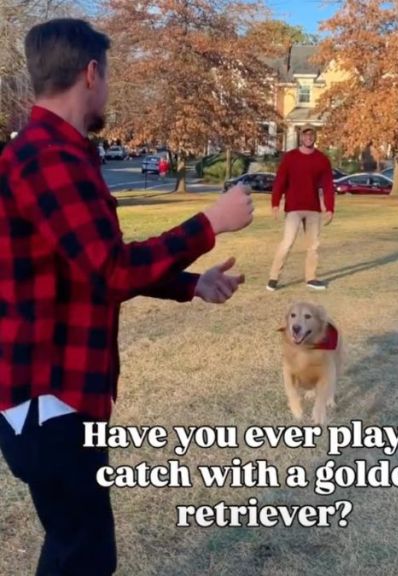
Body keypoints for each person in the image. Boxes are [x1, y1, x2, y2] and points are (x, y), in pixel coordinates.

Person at [0, 18, 254, 575]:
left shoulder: (59, 154)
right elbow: (111, 271)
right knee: (84, 556)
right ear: (91, 73)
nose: (109, 89)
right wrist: (210, 223)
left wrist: (191, 283)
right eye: (109, 77)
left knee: (75, 547)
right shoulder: (47, 158)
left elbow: (92, 262)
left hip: (59, 398)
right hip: (50, 398)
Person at [267, 127, 335, 291]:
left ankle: (311, 278)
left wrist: (330, 208)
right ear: (301, 137)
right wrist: (275, 203)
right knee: (287, 242)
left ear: (315, 137)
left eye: (312, 135)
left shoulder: (322, 159)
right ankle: (273, 278)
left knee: (313, 246)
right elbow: (280, 181)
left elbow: (328, 186)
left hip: (313, 209)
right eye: (306, 135)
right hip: (294, 209)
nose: (309, 137)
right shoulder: (290, 157)